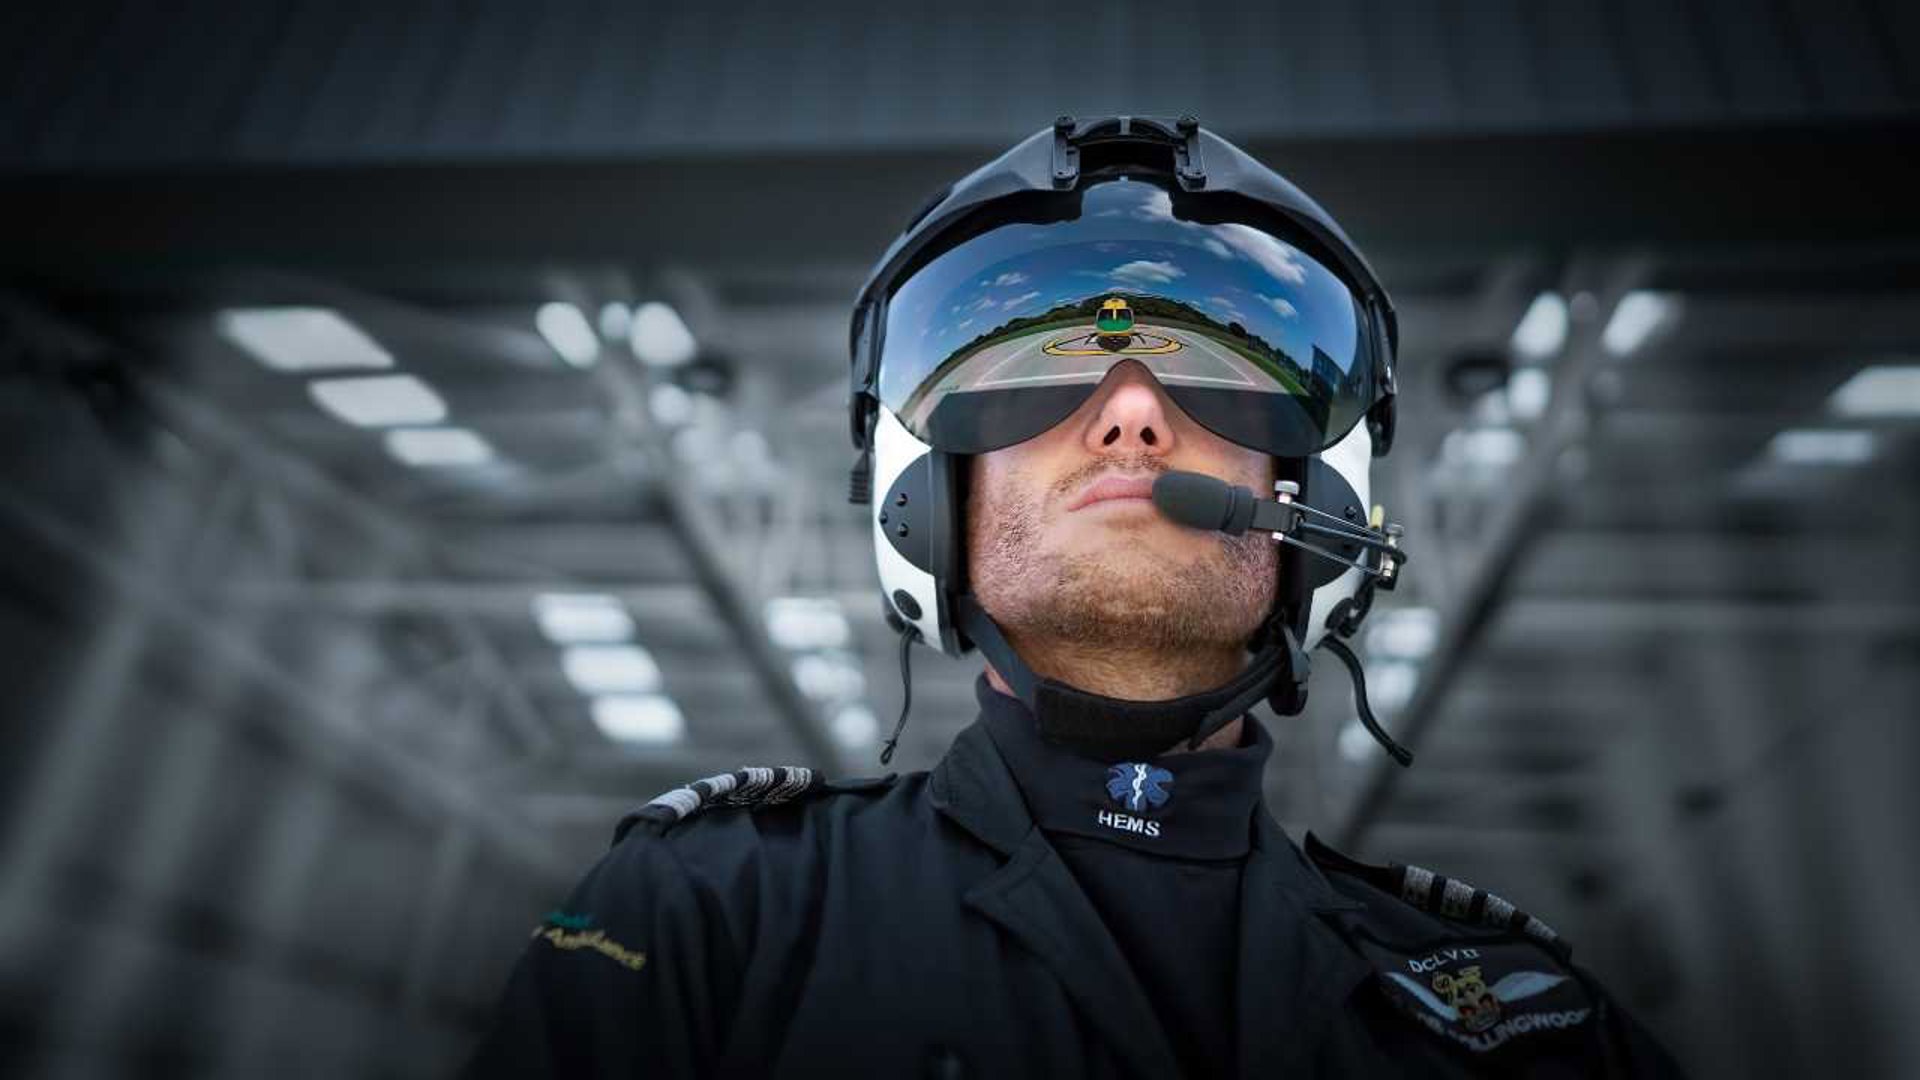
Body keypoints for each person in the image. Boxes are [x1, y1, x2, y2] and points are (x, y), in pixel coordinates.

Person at [465, 117, 1682, 1077]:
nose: (1134, 411)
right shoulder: (704, 923)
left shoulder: (1529, 1030)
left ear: (1318, 492)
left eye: (1210, 361)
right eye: (1044, 359)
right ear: (924, 492)